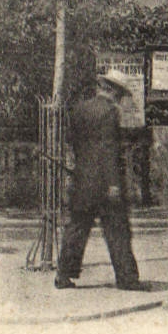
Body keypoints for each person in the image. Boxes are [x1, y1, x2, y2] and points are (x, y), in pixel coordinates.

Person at [55, 70, 145, 290]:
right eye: (120, 94)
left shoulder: (80, 109)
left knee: (77, 229)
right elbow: (108, 150)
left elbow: (72, 141)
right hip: (105, 184)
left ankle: (63, 275)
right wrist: (113, 183)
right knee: (118, 231)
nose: (120, 99)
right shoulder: (110, 113)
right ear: (114, 91)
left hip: (82, 180)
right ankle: (127, 279)